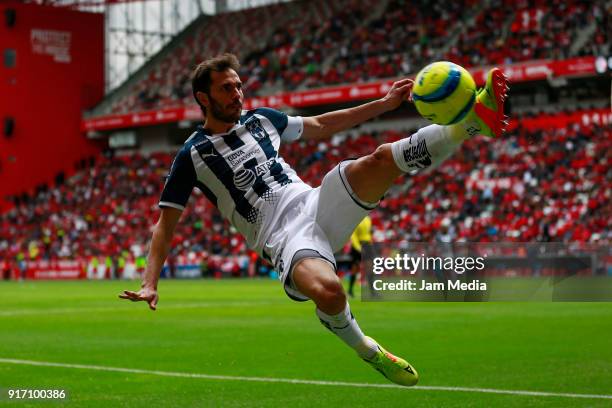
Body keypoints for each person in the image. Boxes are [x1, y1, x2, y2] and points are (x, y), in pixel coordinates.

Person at [120, 53, 508, 386]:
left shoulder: (262, 120)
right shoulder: (193, 155)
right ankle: (367, 349)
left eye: (238, 86)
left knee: (380, 159)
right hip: (283, 239)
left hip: (315, 202)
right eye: (226, 89)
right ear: (203, 98)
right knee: (330, 293)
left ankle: (473, 121)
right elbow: (165, 224)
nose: (237, 94)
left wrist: (383, 103)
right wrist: (150, 282)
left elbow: (322, 124)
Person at [347, 215, 372, 297]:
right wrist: (359, 248)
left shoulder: (368, 219)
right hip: (358, 246)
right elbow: (353, 235)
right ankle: (350, 290)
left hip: (367, 244)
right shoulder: (356, 219)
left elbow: (368, 234)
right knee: (355, 268)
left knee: (369, 268)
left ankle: (372, 292)